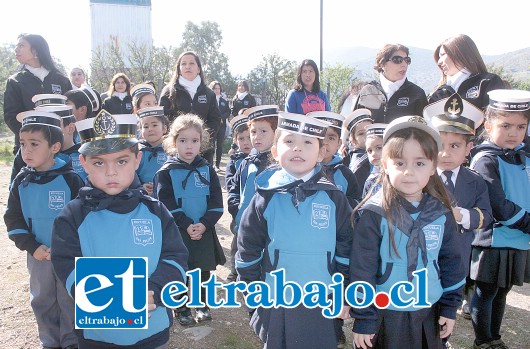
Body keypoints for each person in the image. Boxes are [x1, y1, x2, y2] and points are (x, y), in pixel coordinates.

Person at [51, 110, 189, 349]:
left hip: (151, 329)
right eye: (98, 162)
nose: (111, 171)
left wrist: (153, 290)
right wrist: (111, 296)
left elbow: (176, 258)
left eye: (121, 161)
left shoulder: (156, 212)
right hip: (98, 335)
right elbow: (66, 265)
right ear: (83, 163)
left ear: (137, 159)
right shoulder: (71, 217)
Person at [236, 111, 353, 348]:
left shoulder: (335, 198)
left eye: (307, 143)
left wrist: (345, 290)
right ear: (276, 151)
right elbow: (248, 246)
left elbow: (346, 247)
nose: (297, 149)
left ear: (321, 153)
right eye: (289, 141)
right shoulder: (264, 197)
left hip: (322, 296)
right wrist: (250, 287)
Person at [348, 115, 466, 349]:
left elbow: (452, 261)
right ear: (385, 165)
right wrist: (364, 317)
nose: (409, 172)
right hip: (385, 313)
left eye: (419, 163)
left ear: (433, 166)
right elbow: (362, 269)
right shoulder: (375, 213)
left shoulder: (440, 214)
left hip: (428, 312)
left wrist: (450, 307)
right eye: (400, 163)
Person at [4, 111, 84, 349]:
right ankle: (49, 341)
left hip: (68, 256)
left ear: (55, 147)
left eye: (34, 144)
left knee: (70, 297)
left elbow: (82, 218)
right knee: (42, 299)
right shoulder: (21, 181)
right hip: (38, 255)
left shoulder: (71, 180)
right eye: (22, 144)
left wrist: (69, 248)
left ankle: (71, 342)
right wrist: (32, 247)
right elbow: (13, 218)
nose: (25, 151)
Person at [424, 92, 494, 348]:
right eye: (440, 144)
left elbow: (485, 217)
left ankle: (443, 339)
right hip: (424, 255)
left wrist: (462, 215)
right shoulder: (424, 177)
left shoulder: (475, 181)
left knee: (448, 305)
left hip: (458, 256)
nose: (445, 152)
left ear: (469, 148)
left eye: (455, 145)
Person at [468, 89, 530, 349]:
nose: (513, 133)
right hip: (493, 238)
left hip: (517, 237)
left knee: (503, 291)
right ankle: (483, 340)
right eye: (505, 125)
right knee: (486, 292)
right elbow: (498, 204)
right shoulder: (485, 159)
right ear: (489, 124)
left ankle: (494, 336)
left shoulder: (524, 156)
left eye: (520, 126)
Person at [153, 113, 225, 327]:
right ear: (174, 142)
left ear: (201, 142)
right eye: (183, 140)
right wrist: (186, 224)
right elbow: (164, 203)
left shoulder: (207, 169)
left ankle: (201, 304)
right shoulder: (166, 172)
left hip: (203, 229)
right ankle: (181, 308)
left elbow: (216, 201)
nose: (189, 146)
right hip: (178, 231)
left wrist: (203, 224)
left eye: (194, 140)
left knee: (202, 270)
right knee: (180, 270)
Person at [428, 34, 508, 144]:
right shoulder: (438, 92)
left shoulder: (487, 82)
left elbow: (498, 121)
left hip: (479, 153)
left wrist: (474, 149)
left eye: (442, 55)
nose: (439, 62)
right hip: (445, 155)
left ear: (459, 53)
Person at [4, 33, 73, 155]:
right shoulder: (15, 81)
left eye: (21, 45)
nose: (16, 49)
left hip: (59, 147)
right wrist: (32, 140)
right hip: (29, 149)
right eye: (17, 46)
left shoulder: (61, 79)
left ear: (35, 50)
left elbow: (70, 112)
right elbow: (11, 116)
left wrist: (60, 138)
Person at [159, 51, 221, 165]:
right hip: (176, 151)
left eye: (192, 63)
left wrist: (201, 141)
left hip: (204, 151)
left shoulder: (209, 93)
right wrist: (177, 140)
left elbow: (215, 120)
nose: (187, 66)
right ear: (178, 69)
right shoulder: (169, 91)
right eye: (183, 64)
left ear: (198, 69)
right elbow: (162, 119)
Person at [227, 105, 278, 235]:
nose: (257, 137)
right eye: (253, 132)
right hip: (242, 227)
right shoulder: (247, 162)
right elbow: (234, 189)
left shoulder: (279, 165)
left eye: (263, 131)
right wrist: (237, 212)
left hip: (267, 231)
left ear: (276, 133)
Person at [353, 44, 427, 124]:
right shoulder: (367, 91)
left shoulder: (417, 94)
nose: (404, 64)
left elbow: (424, 131)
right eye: (397, 60)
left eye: (407, 60)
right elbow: (355, 127)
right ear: (382, 64)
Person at [308, 110, 361, 208]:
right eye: (320, 137)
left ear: (339, 143)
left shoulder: (346, 174)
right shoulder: (303, 170)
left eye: (331, 138)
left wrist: (337, 200)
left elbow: (357, 204)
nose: (325, 142)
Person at [224, 111, 252, 282]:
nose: (246, 142)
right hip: (240, 210)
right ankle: (234, 270)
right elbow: (230, 186)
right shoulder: (234, 162)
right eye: (241, 139)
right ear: (235, 140)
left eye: (249, 137)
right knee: (237, 241)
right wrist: (235, 209)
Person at [136, 106, 169, 195]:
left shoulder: (170, 151)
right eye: (145, 127)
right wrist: (140, 186)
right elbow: (131, 174)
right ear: (140, 131)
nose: (150, 129)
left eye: (154, 125)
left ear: (164, 128)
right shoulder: (137, 151)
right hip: (143, 195)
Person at [341, 109, 374, 188]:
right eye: (361, 133)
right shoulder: (361, 163)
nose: (367, 135)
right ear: (353, 140)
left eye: (370, 130)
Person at [209, 80, 231, 171]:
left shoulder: (223, 101)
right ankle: (210, 164)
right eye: (215, 88)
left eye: (218, 88)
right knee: (211, 145)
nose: (217, 90)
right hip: (212, 126)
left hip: (222, 126)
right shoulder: (209, 100)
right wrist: (216, 118)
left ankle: (217, 165)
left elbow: (228, 111)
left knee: (220, 145)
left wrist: (222, 117)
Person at [361, 123, 387, 198]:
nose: (373, 154)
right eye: (369, 150)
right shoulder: (370, 180)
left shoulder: (398, 177)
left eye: (379, 148)